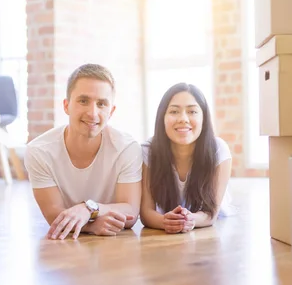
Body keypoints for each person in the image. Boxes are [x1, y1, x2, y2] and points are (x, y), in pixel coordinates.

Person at [24, 64, 142, 240]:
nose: (93, 113)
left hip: (116, 246)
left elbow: (130, 212)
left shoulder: (127, 148)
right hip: (65, 249)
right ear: (66, 106)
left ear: (111, 111)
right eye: (83, 101)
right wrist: (93, 225)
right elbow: (53, 216)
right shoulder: (39, 152)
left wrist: (88, 208)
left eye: (101, 104)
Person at [140, 82, 233, 234]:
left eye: (192, 112)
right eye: (174, 111)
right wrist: (165, 221)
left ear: (204, 118)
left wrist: (191, 220)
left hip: (215, 229)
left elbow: (211, 214)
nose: (183, 119)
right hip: (165, 229)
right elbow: (146, 213)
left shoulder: (218, 149)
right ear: (162, 117)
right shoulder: (148, 150)